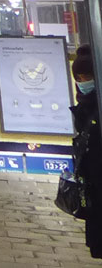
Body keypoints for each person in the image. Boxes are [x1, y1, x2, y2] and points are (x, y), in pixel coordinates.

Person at [70, 45, 102, 257]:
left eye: (87, 76)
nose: (83, 82)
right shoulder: (83, 106)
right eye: (79, 78)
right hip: (93, 183)